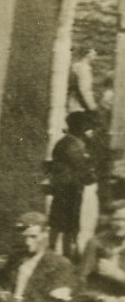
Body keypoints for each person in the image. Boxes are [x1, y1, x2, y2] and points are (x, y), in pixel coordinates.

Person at [48, 111, 97, 259]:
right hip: (70, 188)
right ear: (80, 128)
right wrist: (93, 176)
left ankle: (57, 251)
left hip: (62, 187)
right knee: (69, 223)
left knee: (58, 222)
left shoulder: (64, 142)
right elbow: (82, 168)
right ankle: (67, 253)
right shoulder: (73, 145)